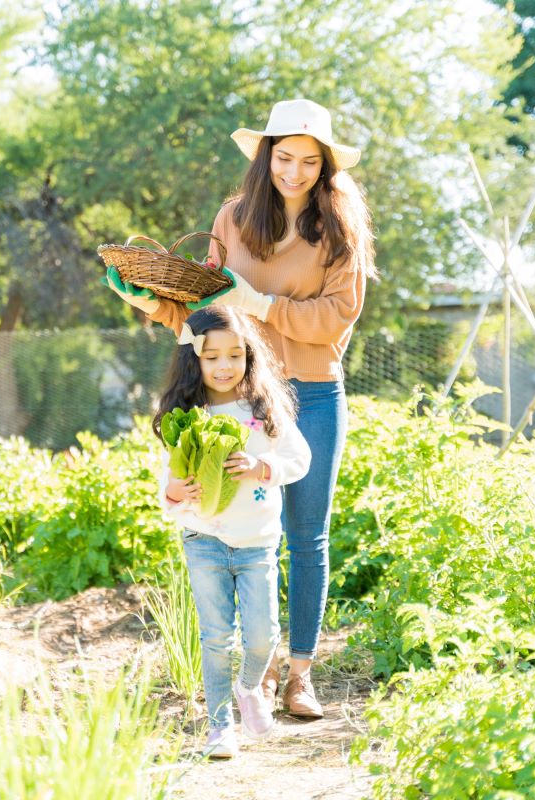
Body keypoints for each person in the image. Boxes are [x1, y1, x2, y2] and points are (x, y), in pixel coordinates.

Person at [107, 98, 376, 718]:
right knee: (241, 527)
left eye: (310, 161)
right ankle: (246, 671)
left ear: (325, 167)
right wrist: (149, 303)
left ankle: (300, 673)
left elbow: (335, 319)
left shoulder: (340, 232)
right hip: (239, 393)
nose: (294, 170)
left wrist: (260, 304)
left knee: (307, 535)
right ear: (266, 157)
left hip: (309, 390)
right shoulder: (232, 219)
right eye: (284, 156)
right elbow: (208, 313)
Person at [153, 306, 311, 759]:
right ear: (194, 360)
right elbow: (163, 477)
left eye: (235, 356)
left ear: (249, 357)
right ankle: (220, 726)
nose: (224, 366)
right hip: (203, 539)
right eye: (212, 357)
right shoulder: (184, 414)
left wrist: (263, 467)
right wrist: (174, 489)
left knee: (262, 637)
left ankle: (249, 688)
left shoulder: (264, 409)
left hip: (257, 540)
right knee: (217, 637)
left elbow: (299, 460)